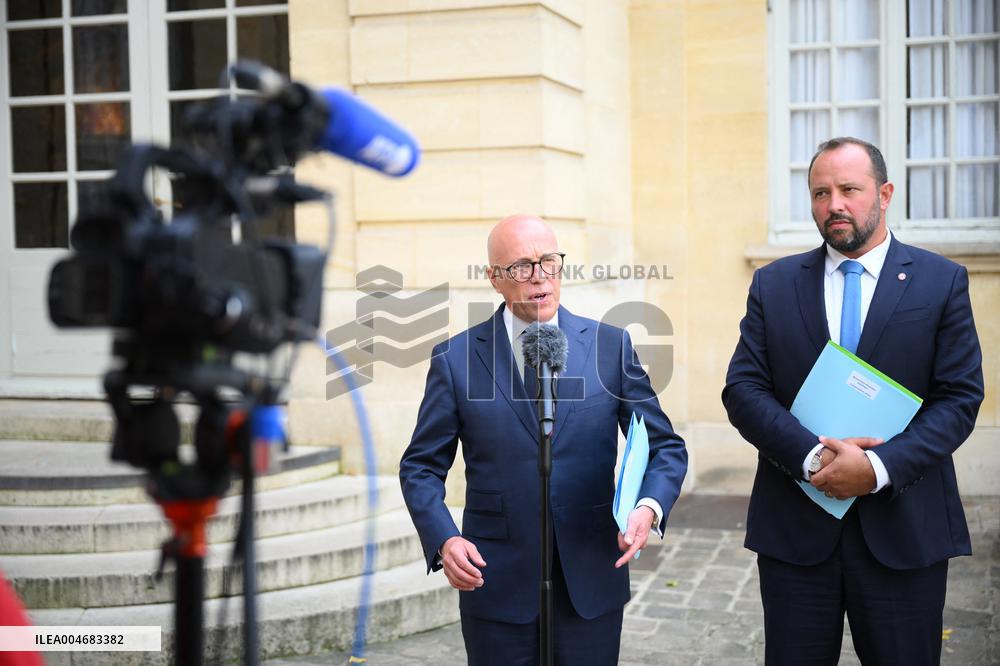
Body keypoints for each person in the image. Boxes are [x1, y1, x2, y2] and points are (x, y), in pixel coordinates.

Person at [722, 137, 984, 665]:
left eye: (848, 189)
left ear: (884, 194)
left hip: (904, 530)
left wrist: (877, 467)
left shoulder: (941, 281)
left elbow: (958, 398)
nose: (833, 204)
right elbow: (743, 388)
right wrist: (812, 458)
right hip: (796, 532)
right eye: (820, 192)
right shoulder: (773, 284)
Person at [399, 214, 687, 665]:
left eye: (548, 262)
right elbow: (420, 467)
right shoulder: (455, 360)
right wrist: (444, 540)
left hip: (591, 578)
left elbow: (665, 446)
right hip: (495, 583)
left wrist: (648, 507)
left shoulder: (611, 346)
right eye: (521, 267)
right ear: (495, 279)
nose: (539, 277)